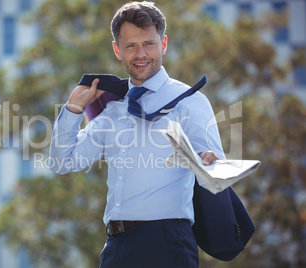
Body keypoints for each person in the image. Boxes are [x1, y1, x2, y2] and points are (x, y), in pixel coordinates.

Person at [50, 1, 224, 267]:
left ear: (163, 44)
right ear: (117, 50)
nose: (141, 53)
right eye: (131, 45)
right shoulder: (113, 111)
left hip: (167, 243)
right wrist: (73, 110)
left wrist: (209, 162)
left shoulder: (189, 101)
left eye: (149, 44)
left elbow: (216, 172)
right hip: (115, 246)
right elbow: (62, 163)